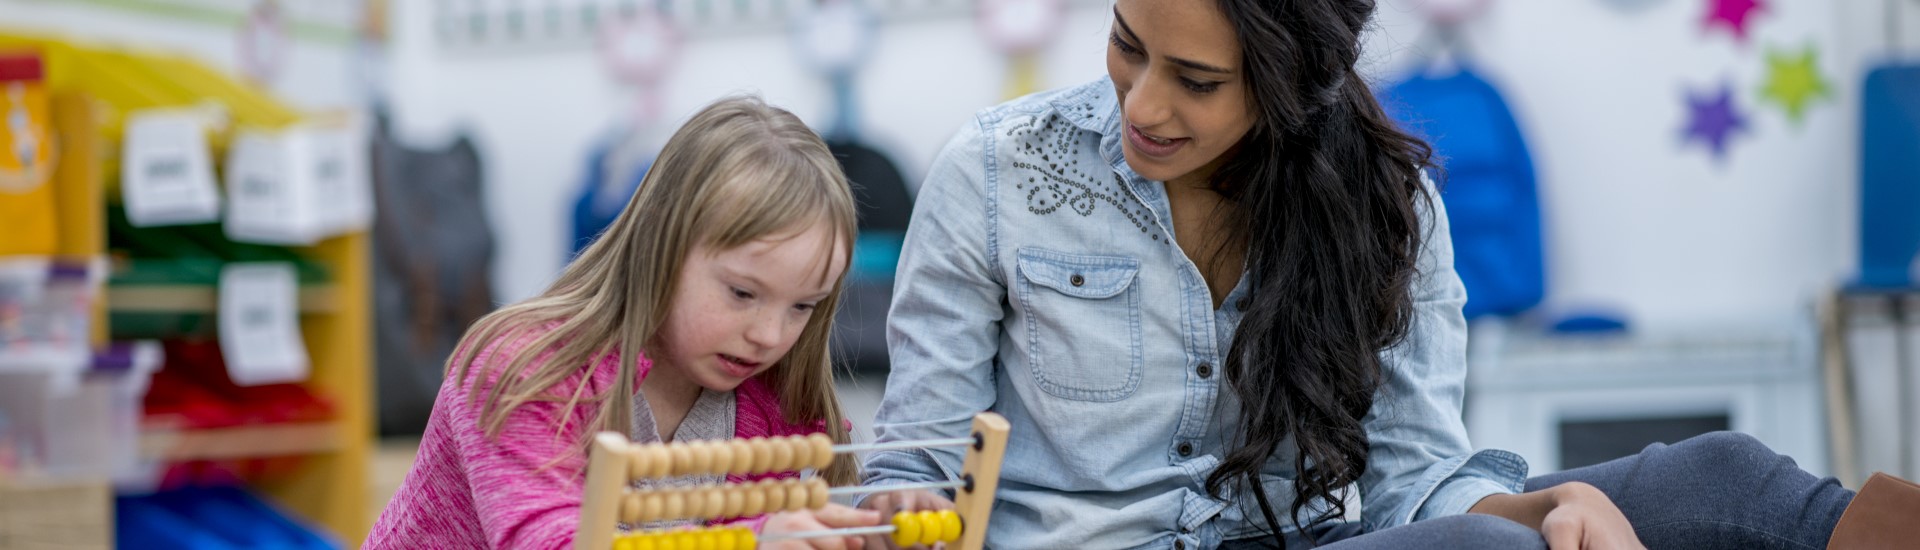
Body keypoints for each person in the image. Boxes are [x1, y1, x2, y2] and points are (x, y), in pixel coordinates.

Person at [856, 0, 1919, 548]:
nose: (1140, 104)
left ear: (1292, 82)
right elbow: (916, 461)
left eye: (1195, 80)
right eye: (1126, 44)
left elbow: (1418, 476)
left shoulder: (1388, 207)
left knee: (1725, 480)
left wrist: (1539, 509)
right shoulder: (995, 173)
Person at [369, 96, 882, 549]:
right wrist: (754, 541)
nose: (770, 336)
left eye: (802, 306)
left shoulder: (769, 409)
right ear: (662, 248)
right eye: (743, 293)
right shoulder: (523, 368)